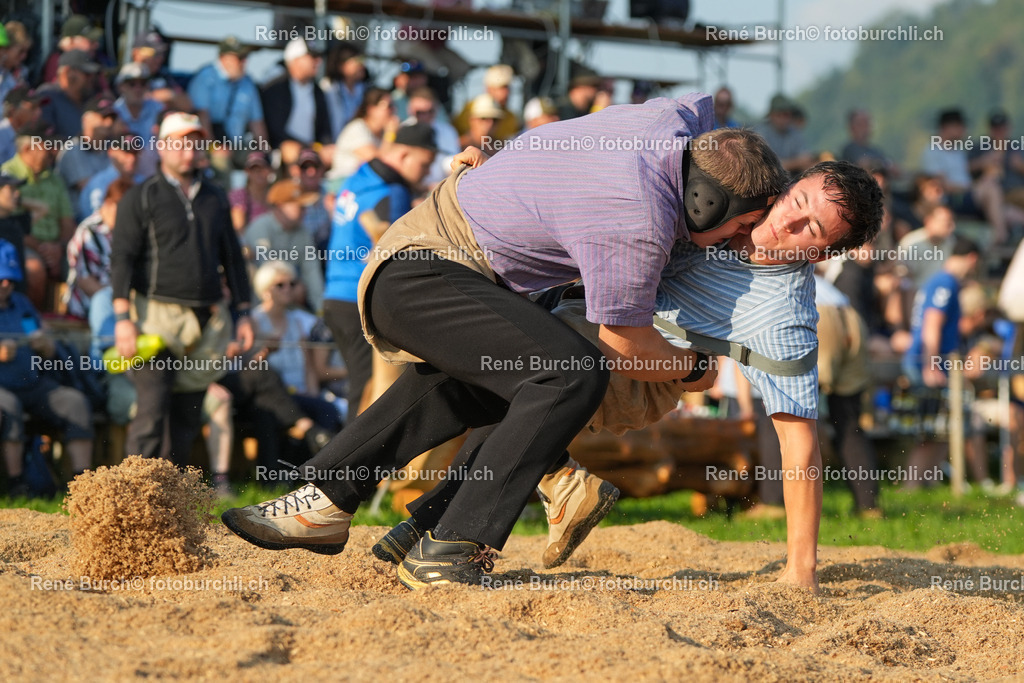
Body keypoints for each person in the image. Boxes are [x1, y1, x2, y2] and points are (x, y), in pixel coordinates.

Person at [221, 93, 787, 587]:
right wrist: (694, 371)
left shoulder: (676, 123)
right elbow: (626, 345)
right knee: (571, 374)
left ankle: (331, 503)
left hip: (434, 263)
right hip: (419, 274)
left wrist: (505, 155)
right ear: (705, 201)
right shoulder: (635, 219)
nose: (732, 241)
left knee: (495, 379)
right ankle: (453, 546)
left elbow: (618, 121)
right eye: (735, 227)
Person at [375, 159, 885, 591]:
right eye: (796, 202)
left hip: (647, 370)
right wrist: (500, 172)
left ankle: (502, 510)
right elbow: (616, 171)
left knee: (521, 379)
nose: (787, 223)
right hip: (583, 314)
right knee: (491, 377)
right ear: (786, 189)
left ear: (821, 255)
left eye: (811, 230)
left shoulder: (783, 318)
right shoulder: (733, 189)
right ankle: (437, 521)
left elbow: (799, 445)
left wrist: (801, 568)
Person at [110, 112, 254, 465]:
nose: (188, 151)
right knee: (152, 411)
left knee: (187, 419)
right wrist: (122, 318)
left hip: (209, 317)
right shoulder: (141, 196)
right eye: (179, 142)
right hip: (154, 316)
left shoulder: (216, 197)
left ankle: (171, 505)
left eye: (194, 142)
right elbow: (121, 259)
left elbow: (233, 258)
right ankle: (130, 499)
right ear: (161, 147)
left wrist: (245, 313)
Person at [321, 121, 437, 415]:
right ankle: (349, 463)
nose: (426, 173)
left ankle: (346, 459)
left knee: (360, 390)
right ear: (402, 156)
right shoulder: (393, 190)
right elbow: (396, 253)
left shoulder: (358, 177)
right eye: (424, 164)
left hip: (335, 296)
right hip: (361, 301)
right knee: (370, 398)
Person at [0, 238, 93, 492]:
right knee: (7, 406)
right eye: (1, 279)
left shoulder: (21, 304)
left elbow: (41, 338)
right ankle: (18, 485)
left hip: (32, 384)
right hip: (3, 392)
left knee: (75, 403)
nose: (6, 284)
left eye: (10, 278)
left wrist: (47, 346)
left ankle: (82, 487)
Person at [902, 236, 981, 489]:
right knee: (930, 430)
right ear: (972, 259)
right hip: (927, 364)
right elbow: (932, 325)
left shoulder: (939, 280)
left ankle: (927, 484)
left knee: (942, 429)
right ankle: (911, 486)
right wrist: (931, 364)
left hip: (931, 363)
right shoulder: (945, 281)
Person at [2, 122, 75, 309]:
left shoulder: (55, 178)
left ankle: (68, 319)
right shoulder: (7, 176)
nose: (52, 151)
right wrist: (43, 248)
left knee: (81, 267)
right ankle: (31, 320)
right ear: (28, 148)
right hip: (25, 245)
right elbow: (13, 226)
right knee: (34, 269)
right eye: (45, 146)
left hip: (56, 247)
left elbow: (67, 221)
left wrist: (58, 248)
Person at [920, 108, 1008, 244]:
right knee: (991, 190)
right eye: (960, 126)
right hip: (953, 199)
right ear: (947, 127)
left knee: (1014, 214)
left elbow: (965, 171)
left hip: (969, 197)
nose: (964, 130)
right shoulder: (933, 151)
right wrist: (972, 187)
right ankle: (1001, 238)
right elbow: (941, 185)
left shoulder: (957, 151)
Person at [244, 178, 324, 312]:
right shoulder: (260, 228)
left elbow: (312, 272)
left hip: (288, 302)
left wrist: (321, 310)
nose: (305, 211)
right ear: (281, 206)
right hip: (260, 307)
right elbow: (267, 273)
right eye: (300, 206)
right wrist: (294, 285)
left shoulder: (302, 232)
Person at [187, 36, 269, 151]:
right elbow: (201, 116)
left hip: (239, 146)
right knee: (221, 161)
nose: (244, 62)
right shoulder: (205, 78)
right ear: (223, 58)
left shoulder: (248, 83)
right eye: (240, 58)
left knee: (259, 165)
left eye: (245, 57)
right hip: (211, 146)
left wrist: (265, 152)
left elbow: (257, 123)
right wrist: (212, 148)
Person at [261, 38, 332, 150]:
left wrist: (323, 147)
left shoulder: (318, 91)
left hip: (312, 149)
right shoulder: (274, 89)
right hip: (281, 149)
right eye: (312, 57)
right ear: (295, 60)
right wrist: (306, 147)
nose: (318, 61)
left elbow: (324, 130)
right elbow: (276, 131)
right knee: (291, 149)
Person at [57, 95, 118, 218]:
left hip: (104, 213)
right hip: (79, 218)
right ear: (86, 119)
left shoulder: (111, 147)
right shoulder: (73, 150)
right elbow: (91, 191)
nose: (109, 122)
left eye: (112, 118)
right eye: (103, 117)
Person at [327, 88, 397, 182]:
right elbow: (378, 164)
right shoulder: (357, 129)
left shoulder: (382, 135)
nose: (393, 110)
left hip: (363, 183)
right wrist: (390, 134)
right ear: (371, 109)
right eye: (389, 106)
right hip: (342, 183)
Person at [38, 50, 100, 139]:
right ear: (67, 72)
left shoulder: (90, 98)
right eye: (87, 74)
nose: (91, 79)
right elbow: (44, 139)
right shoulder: (48, 96)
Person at [78, 134, 141, 221]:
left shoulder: (142, 181)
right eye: (126, 153)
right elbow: (96, 219)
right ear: (111, 152)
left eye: (135, 153)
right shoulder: (100, 183)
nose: (132, 158)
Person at [453, 65, 520, 142]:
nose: (506, 93)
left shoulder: (511, 118)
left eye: (508, 87)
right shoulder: (471, 108)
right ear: (488, 88)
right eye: (501, 87)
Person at [898, 202, 956, 290]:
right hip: (915, 293)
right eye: (946, 223)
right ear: (929, 221)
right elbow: (904, 278)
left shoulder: (951, 242)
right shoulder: (910, 243)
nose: (952, 227)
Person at [754, 94, 814, 175]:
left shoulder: (795, 133)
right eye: (779, 115)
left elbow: (806, 161)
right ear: (771, 115)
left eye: (786, 115)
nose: (783, 119)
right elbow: (766, 166)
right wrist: (796, 163)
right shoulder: (760, 133)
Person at [112, 63, 165, 141]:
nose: (138, 89)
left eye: (143, 83)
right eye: (132, 84)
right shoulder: (112, 113)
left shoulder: (159, 109)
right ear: (120, 87)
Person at [0, 86, 45, 165]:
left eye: (39, 108)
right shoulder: (2, 134)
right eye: (32, 108)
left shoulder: (23, 135)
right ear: (13, 110)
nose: (38, 113)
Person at [229, 151, 272, 232]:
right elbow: (239, 229)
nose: (258, 172)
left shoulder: (276, 195)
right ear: (247, 172)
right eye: (253, 169)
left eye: (262, 168)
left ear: (270, 170)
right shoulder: (239, 196)